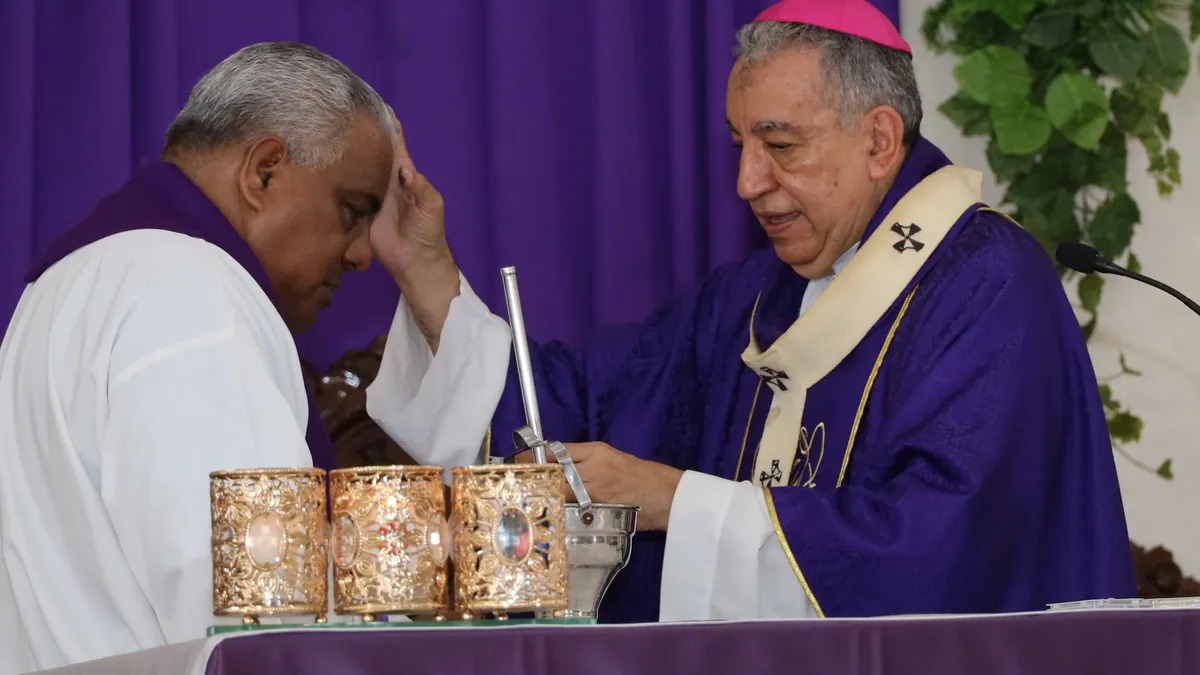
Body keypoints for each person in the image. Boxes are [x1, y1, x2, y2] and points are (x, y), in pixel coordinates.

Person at [387, 0, 1137, 623]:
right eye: (740, 144)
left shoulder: (987, 286)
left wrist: (675, 500)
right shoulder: (752, 299)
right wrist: (426, 271)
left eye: (780, 145)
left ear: (879, 140)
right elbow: (569, 404)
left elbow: (941, 552)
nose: (748, 181)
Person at [0, 42, 509, 673]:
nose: (362, 256)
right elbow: (264, 617)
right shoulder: (192, 288)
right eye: (352, 211)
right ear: (264, 172)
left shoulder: (65, 285)